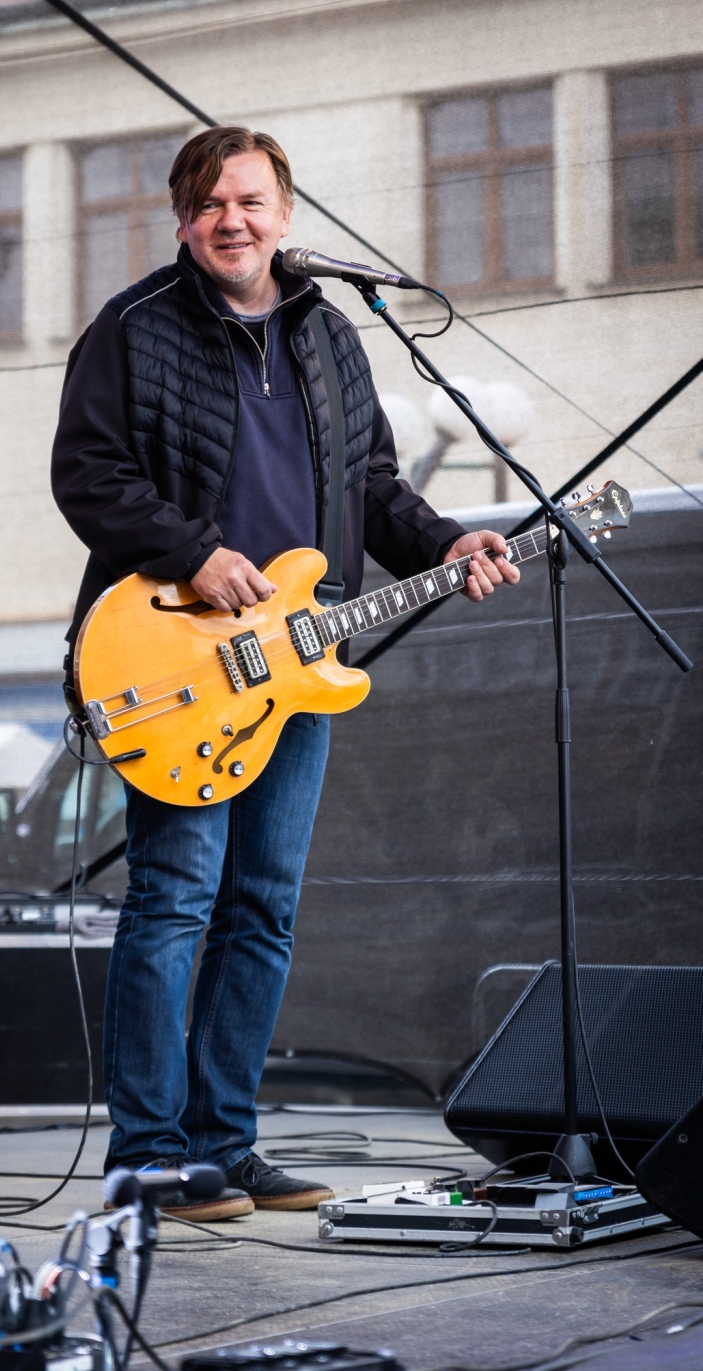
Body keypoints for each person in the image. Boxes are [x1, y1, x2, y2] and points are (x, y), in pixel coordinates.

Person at [51, 126, 520, 1222]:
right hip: (179, 653)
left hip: (298, 666)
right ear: (183, 219)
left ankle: (224, 1148)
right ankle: (148, 1159)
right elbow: (87, 472)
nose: (233, 220)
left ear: (286, 214)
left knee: (261, 910)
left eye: (252, 201)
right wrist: (193, 553)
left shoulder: (329, 332)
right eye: (211, 203)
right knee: (175, 901)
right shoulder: (133, 327)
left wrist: (445, 542)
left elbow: (371, 485)